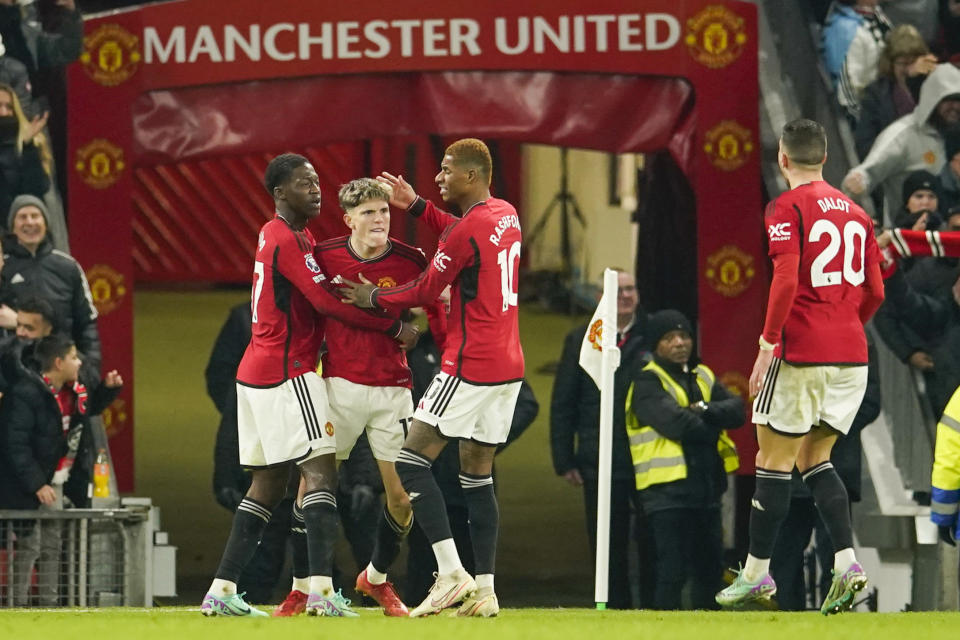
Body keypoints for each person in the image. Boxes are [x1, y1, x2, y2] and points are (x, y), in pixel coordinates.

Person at [200, 153, 417, 618]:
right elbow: (325, 301)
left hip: (257, 371)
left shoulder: (283, 234)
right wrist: (392, 324)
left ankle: (221, 589)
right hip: (287, 370)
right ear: (280, 193)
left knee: (267, 485)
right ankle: (320, 591)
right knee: (320, 473)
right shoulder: (287, 237)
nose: (316, 189)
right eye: (304, 183)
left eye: (317, 181)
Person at [339, 138, 524, 617]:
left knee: (410, 460)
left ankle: (450, 572)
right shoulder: (505, 213)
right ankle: (485, 588)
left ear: (470, 176)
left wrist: (373, 300)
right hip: (508, 367)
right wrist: (418, 205)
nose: (438, 178)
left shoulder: (466, 232)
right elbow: (466, 231)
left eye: (445, 171)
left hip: (470, 364)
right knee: (478, 477)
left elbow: (425, 288)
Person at [715, 119, 885, 615]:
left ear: (783, 159)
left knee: (772, 458)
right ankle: (848, 565)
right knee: (815, 458)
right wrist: (847, 324)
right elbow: (876, 291)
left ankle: (755, 576)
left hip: (803, 350)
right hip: (851, 355)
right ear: (826, 157)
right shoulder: (857, 213)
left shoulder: (785, 206)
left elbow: (786, 278)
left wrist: (768, 343)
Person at [312, 177, 450, 616]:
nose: (379, 219)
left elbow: (440, 303)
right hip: (339, 386)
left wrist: (448, 353)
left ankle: (375, 578)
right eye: (369, 212)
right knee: (315, 487)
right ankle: (313, 586)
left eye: (385, 211)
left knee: (402, 498)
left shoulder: (410, 260)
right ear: (349, 218)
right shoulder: (325, 255)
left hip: (394, 390)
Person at [626, 309, 743, 610]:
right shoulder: (647, 382)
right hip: (666, 494)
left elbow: (738, 410)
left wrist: (702, 409)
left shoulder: (703, 375)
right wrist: (711, 418)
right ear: (656, 345)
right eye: (669, 338)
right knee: (671, 573)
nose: (679, 343)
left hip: (706, 490)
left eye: (684, 335)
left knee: (709, 572)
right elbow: (678, 424)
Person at [550, 268, 651, 609]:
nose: (625, 295)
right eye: (618, 289)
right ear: (600, 297)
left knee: (652, 538)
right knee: (607, 543)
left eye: (631, 288)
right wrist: (564, 458)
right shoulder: (581, 339)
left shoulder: (655, 335)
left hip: (647, 458)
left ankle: (655, 609)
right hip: (599, 458)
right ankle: (616, 609)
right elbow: (564, 401)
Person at [0, 333, 121, 605]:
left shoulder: (72, 391)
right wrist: (36, 485)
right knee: (29, 546)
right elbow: (13, 444)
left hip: (54, 482)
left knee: (52, 544)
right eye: (74, 357)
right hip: (26, 486)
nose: (79, 363)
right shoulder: (25, 393)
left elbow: (87, 410)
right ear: (57, 363)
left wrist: (107, 390)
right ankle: (15, 605)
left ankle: (49, 604)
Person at [769, 341, 880, 610]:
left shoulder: (858, 337)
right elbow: (771, 395)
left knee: (834, 550)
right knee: (785, 555)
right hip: (790, 467)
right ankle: (785, 622)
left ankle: (836, 619)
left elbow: (870, 402)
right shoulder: (786, 333)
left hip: (835, 467)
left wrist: (822, 430)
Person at [843, 63, 960, 225]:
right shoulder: (902, 135)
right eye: (948, 100)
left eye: (958, 100)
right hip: (904, 238)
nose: (955, 107)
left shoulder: (952, 136)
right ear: (933, 99)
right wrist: (858, 181)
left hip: (947, 240)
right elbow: (868, 173)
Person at [1, 194, 97, 371]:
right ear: (12, 226)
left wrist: (91, 368)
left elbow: (86, 324)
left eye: (35, 216)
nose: (29, 222)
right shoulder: (2, 267)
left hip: (60, 369)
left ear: (46, 224)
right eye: (22, 217)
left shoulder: (68, 267)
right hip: (13, 370)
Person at [855, 25, 936, 160]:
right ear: (891, 64)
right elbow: (864, 146)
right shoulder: (875, 95)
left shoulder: (934, 88)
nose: (909, 70)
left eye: (913, 63)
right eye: (903, 63)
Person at [0, 85, 48, 224]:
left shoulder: (30, 143)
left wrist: (28, 148)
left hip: (20, 228)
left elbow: (37, 191)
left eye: (9, 107)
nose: (3, 112)